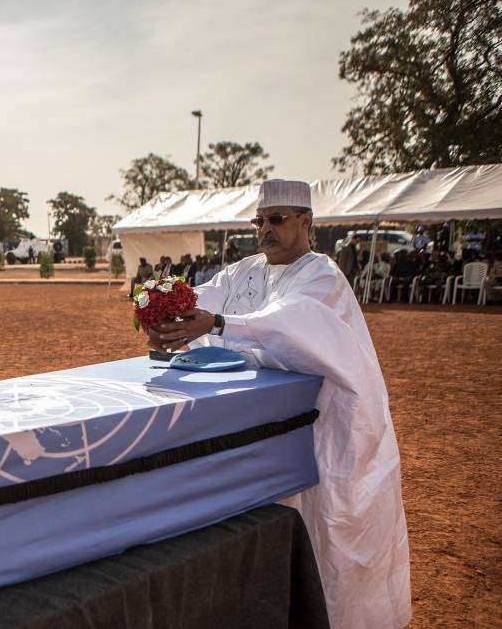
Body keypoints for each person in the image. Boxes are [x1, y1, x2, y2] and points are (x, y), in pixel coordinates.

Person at [148, 179, 411, 629]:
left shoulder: (322, 275)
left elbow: (289, 323)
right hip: (263, 422)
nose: (265, 229)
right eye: (259, 221)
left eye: (276, 219)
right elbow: (202, 300)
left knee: (328, 525)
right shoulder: (243, 270)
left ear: (306, 222)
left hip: (324, 425)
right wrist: (167, 316)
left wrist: (219, 323)